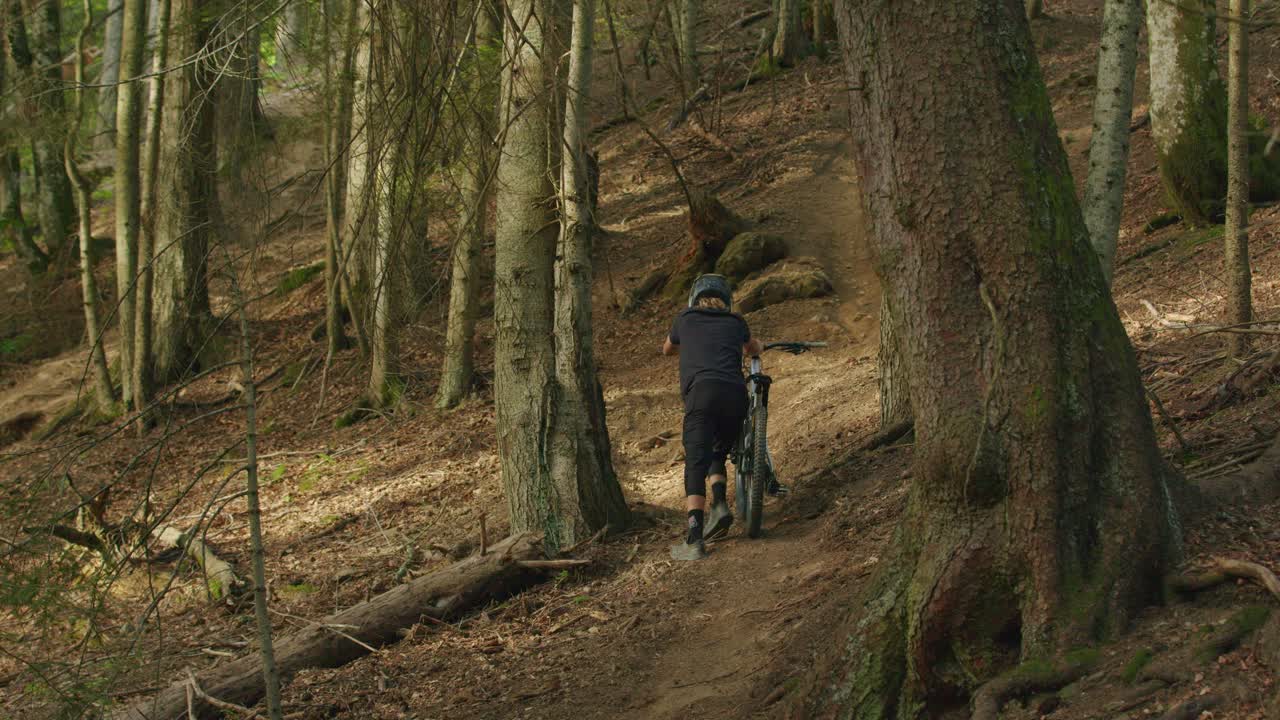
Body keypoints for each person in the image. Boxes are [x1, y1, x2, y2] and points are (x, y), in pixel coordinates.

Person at [662, 274, 763, 560]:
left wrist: (691, 344)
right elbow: (753, 347)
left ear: (694, 297)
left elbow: (667, 348)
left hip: (701, 393)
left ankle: (694, 539)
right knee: (719, 447)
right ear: (727, 299)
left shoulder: (685, 318)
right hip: (735, 395)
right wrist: (758, 346)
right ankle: (719, 503)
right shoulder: (735, 321)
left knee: (696, 460)